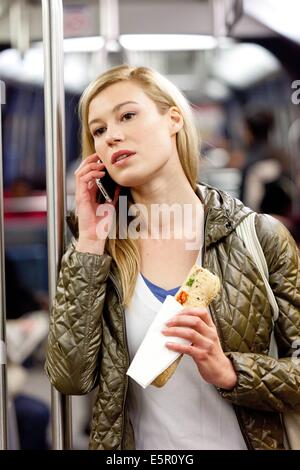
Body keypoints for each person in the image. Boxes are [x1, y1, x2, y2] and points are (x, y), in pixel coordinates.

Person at [45, 65, 300, 450]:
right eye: (98, 130)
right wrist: (90, 246)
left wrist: (232, 372)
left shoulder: (258, 237)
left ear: (173, 119)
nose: (112, 135)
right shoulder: (99, 250)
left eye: (128, 115)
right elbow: (70, 378)